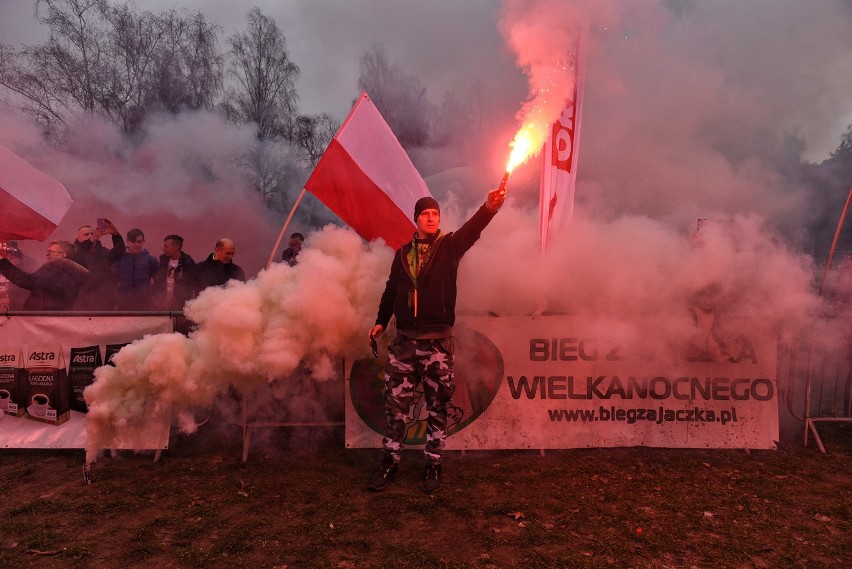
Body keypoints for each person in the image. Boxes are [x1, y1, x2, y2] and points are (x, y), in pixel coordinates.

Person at [367, 188, 506, 493]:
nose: (431, 219)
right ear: (416, 219)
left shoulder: (449, 247)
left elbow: (472, 231)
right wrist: (380, 321)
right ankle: (389, 462)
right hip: (404, 343)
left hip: (437, 344)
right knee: (396, 407)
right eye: (425, 214)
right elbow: (391, 291)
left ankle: (433, 465)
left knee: (437, 406)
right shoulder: (402, 254)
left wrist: (489, 208)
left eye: (435, 214)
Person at [0, 241, 89, 310]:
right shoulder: (71, 272)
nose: (46, 254)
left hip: (45, 321)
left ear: (63, 254)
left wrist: (2, 262)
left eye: (50, 252)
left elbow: (28, 281)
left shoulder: (57, 267)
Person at [71, 219, 125, 310]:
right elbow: (78, 258)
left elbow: (119, 253)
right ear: (78, 238)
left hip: (103, 301)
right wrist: (90, 241)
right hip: (81, 303)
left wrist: (116, 235)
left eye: (92, 234)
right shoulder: (73, 252)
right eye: (86, 234)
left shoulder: (103, 253)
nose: (90, 236)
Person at [112, 228, 159, 310]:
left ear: (144, 241)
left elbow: (160, 282)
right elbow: (112, 281)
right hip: (123, 303)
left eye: (139, 242)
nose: (136, 244)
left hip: (145, 304)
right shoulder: (119, 260)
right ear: (127, 241)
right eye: (133, 242)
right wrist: (115, 299)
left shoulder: (151, 260)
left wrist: (148, 293)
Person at [153, 234, 196, 310]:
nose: (163, 248)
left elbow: (187, 288)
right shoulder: (163, 261)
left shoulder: (188, 264)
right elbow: (158, 283)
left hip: (180, 309)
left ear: (175, 248)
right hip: (162, 308)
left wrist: (172, 303)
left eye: (166, 246)